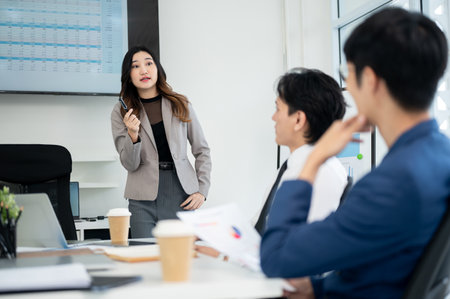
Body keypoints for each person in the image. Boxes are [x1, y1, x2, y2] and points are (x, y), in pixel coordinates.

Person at [260, 7, 450, 299]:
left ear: (370, 80)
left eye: (347, 74)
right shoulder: (439, 155)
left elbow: (277, 259)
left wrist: (313, 160)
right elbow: (388, 268)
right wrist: (318, 287)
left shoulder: (393, 183)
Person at [196, 68, 348, 261]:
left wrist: (227, 257)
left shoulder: (321, 173)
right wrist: (212, 234)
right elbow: (259, 229)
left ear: (299, 119)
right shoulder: (293, 166)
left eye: (278, 109)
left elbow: (301, 253)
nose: (273, 117)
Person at [111, 46, 211, 238]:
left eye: (149, 63)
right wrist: (133, 134)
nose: (144, 70)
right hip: (141, 197)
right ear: (128, 74)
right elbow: (129, 164)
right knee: (144, 258)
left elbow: (202, 150)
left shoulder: (181, 104)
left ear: (157, 69)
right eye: (136, 66)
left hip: (181, 193)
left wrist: (202, 190)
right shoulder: (120, 111)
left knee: (179, 257)